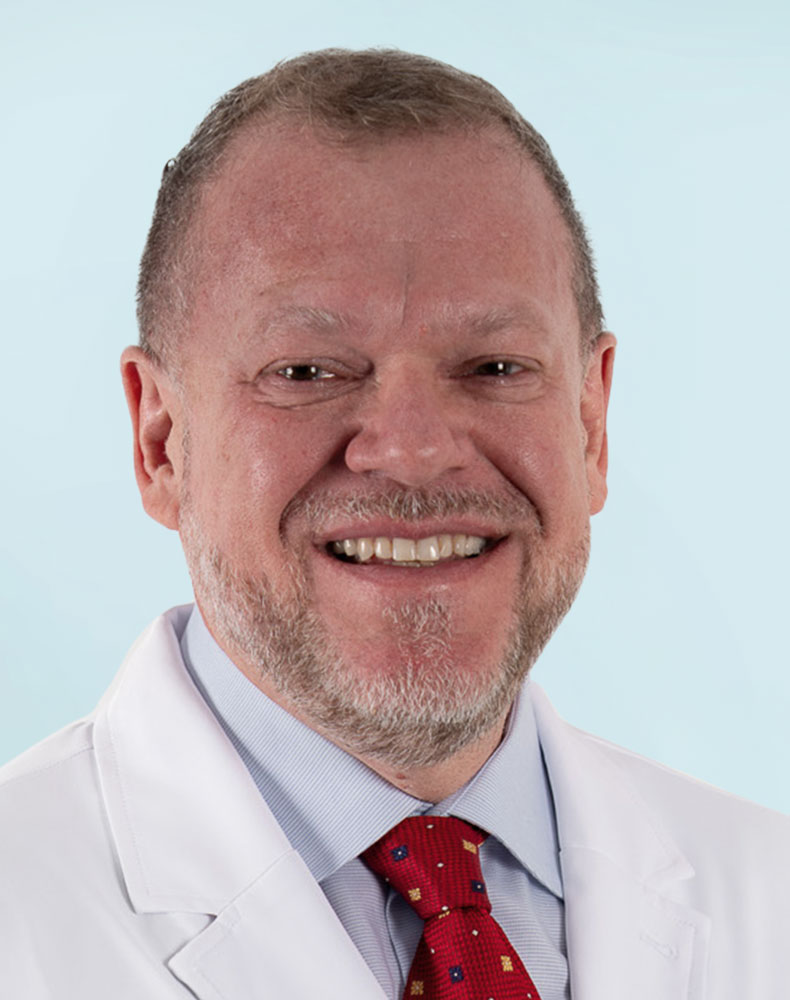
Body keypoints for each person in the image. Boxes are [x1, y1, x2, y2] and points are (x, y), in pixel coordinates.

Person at [0, 49, 785, 1000]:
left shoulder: (767, 890)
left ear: (590, 423)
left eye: (496, 367)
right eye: (306, 372)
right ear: (160, 440)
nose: (413, 450)